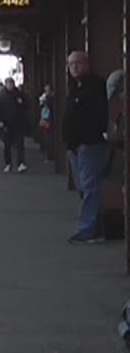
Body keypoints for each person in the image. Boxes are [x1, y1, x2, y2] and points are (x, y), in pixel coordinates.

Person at [63, 51, 109, 244]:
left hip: (89, 146)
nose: (74, 67)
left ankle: (87, 230)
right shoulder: (75, 87)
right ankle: (96, 226)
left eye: (77, 63)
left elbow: (98, 116)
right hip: (75, 148)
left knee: (90, 188)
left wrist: (85, 140)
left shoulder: (96, 86)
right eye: (71, 64)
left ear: (86, 64)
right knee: (84, 188)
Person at [0, 77, 30, 173]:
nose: (11, 85)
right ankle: (8, 164)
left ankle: (21, 164)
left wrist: (22, 104)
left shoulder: (19, 94)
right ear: (6, 85)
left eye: (12, 83)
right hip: (6, 124)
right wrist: (0, 121)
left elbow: (27, 105)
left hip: (18, 123)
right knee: (7, 145)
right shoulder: (1, 96)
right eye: (9, 84)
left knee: (20, 144)